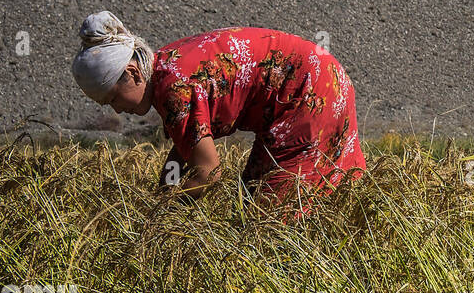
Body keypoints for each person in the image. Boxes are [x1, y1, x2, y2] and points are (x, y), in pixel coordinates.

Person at [71, 11, 366, 213]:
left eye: (112, 98)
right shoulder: (165, 66)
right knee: (253, 196)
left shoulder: (174, 90)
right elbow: (187, 148)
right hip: (318, 78)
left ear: (133, 73)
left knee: (272, 220)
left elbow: (209, 172)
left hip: (311, 93)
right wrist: (166, 188)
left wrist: (162, 212)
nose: (117, 109)